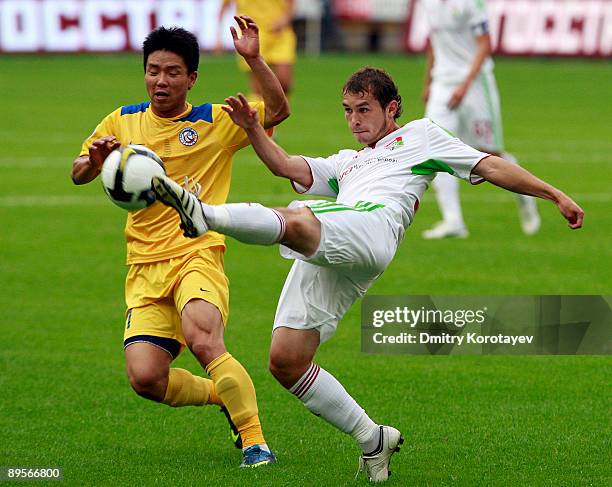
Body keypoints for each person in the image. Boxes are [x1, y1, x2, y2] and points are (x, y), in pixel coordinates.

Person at [150, 67, 583, 482]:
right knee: (286, 360)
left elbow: (488, 165)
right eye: (347, 110)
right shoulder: (348, 162)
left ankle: (202, 213)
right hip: (339, 240)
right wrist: (253, 129)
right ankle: (374, 439)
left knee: (299, 219)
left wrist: (553, 193)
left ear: (392, 108)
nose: (354, 121)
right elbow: (285, 167)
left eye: (364, 110)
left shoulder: (422, 135)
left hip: (372, 230)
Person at [71, 18, 289, 468]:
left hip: (197, 253)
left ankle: (255, 443)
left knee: (204, 338)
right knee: (146, 378)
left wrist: (253, 58)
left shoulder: (215, 120)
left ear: (192, 78)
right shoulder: (123, 121)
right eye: (153, 70)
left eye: (172, 72)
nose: (160, 80)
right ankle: (223, 395)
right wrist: (94, 161)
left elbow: (278, 109)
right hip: (144, 266)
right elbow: (78, 172)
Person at [420, 0, 541, 239]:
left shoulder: (471, 3)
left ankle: (525, 196)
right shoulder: (429, 3)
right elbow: (435, 42)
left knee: (489, 153)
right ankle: (453, 221)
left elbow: (485, 44)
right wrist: (429, 82)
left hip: (475, 84)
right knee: (435, 148)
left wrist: (465, 85)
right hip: (443, 84)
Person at [218, 0, 296, 98]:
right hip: (251, 35)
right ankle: (260, 112)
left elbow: (291, 2)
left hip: (280, 34)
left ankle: (278, 110)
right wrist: (218, 37)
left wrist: (286, 18)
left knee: (285, 83)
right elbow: (224, 7)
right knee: (259, 87)